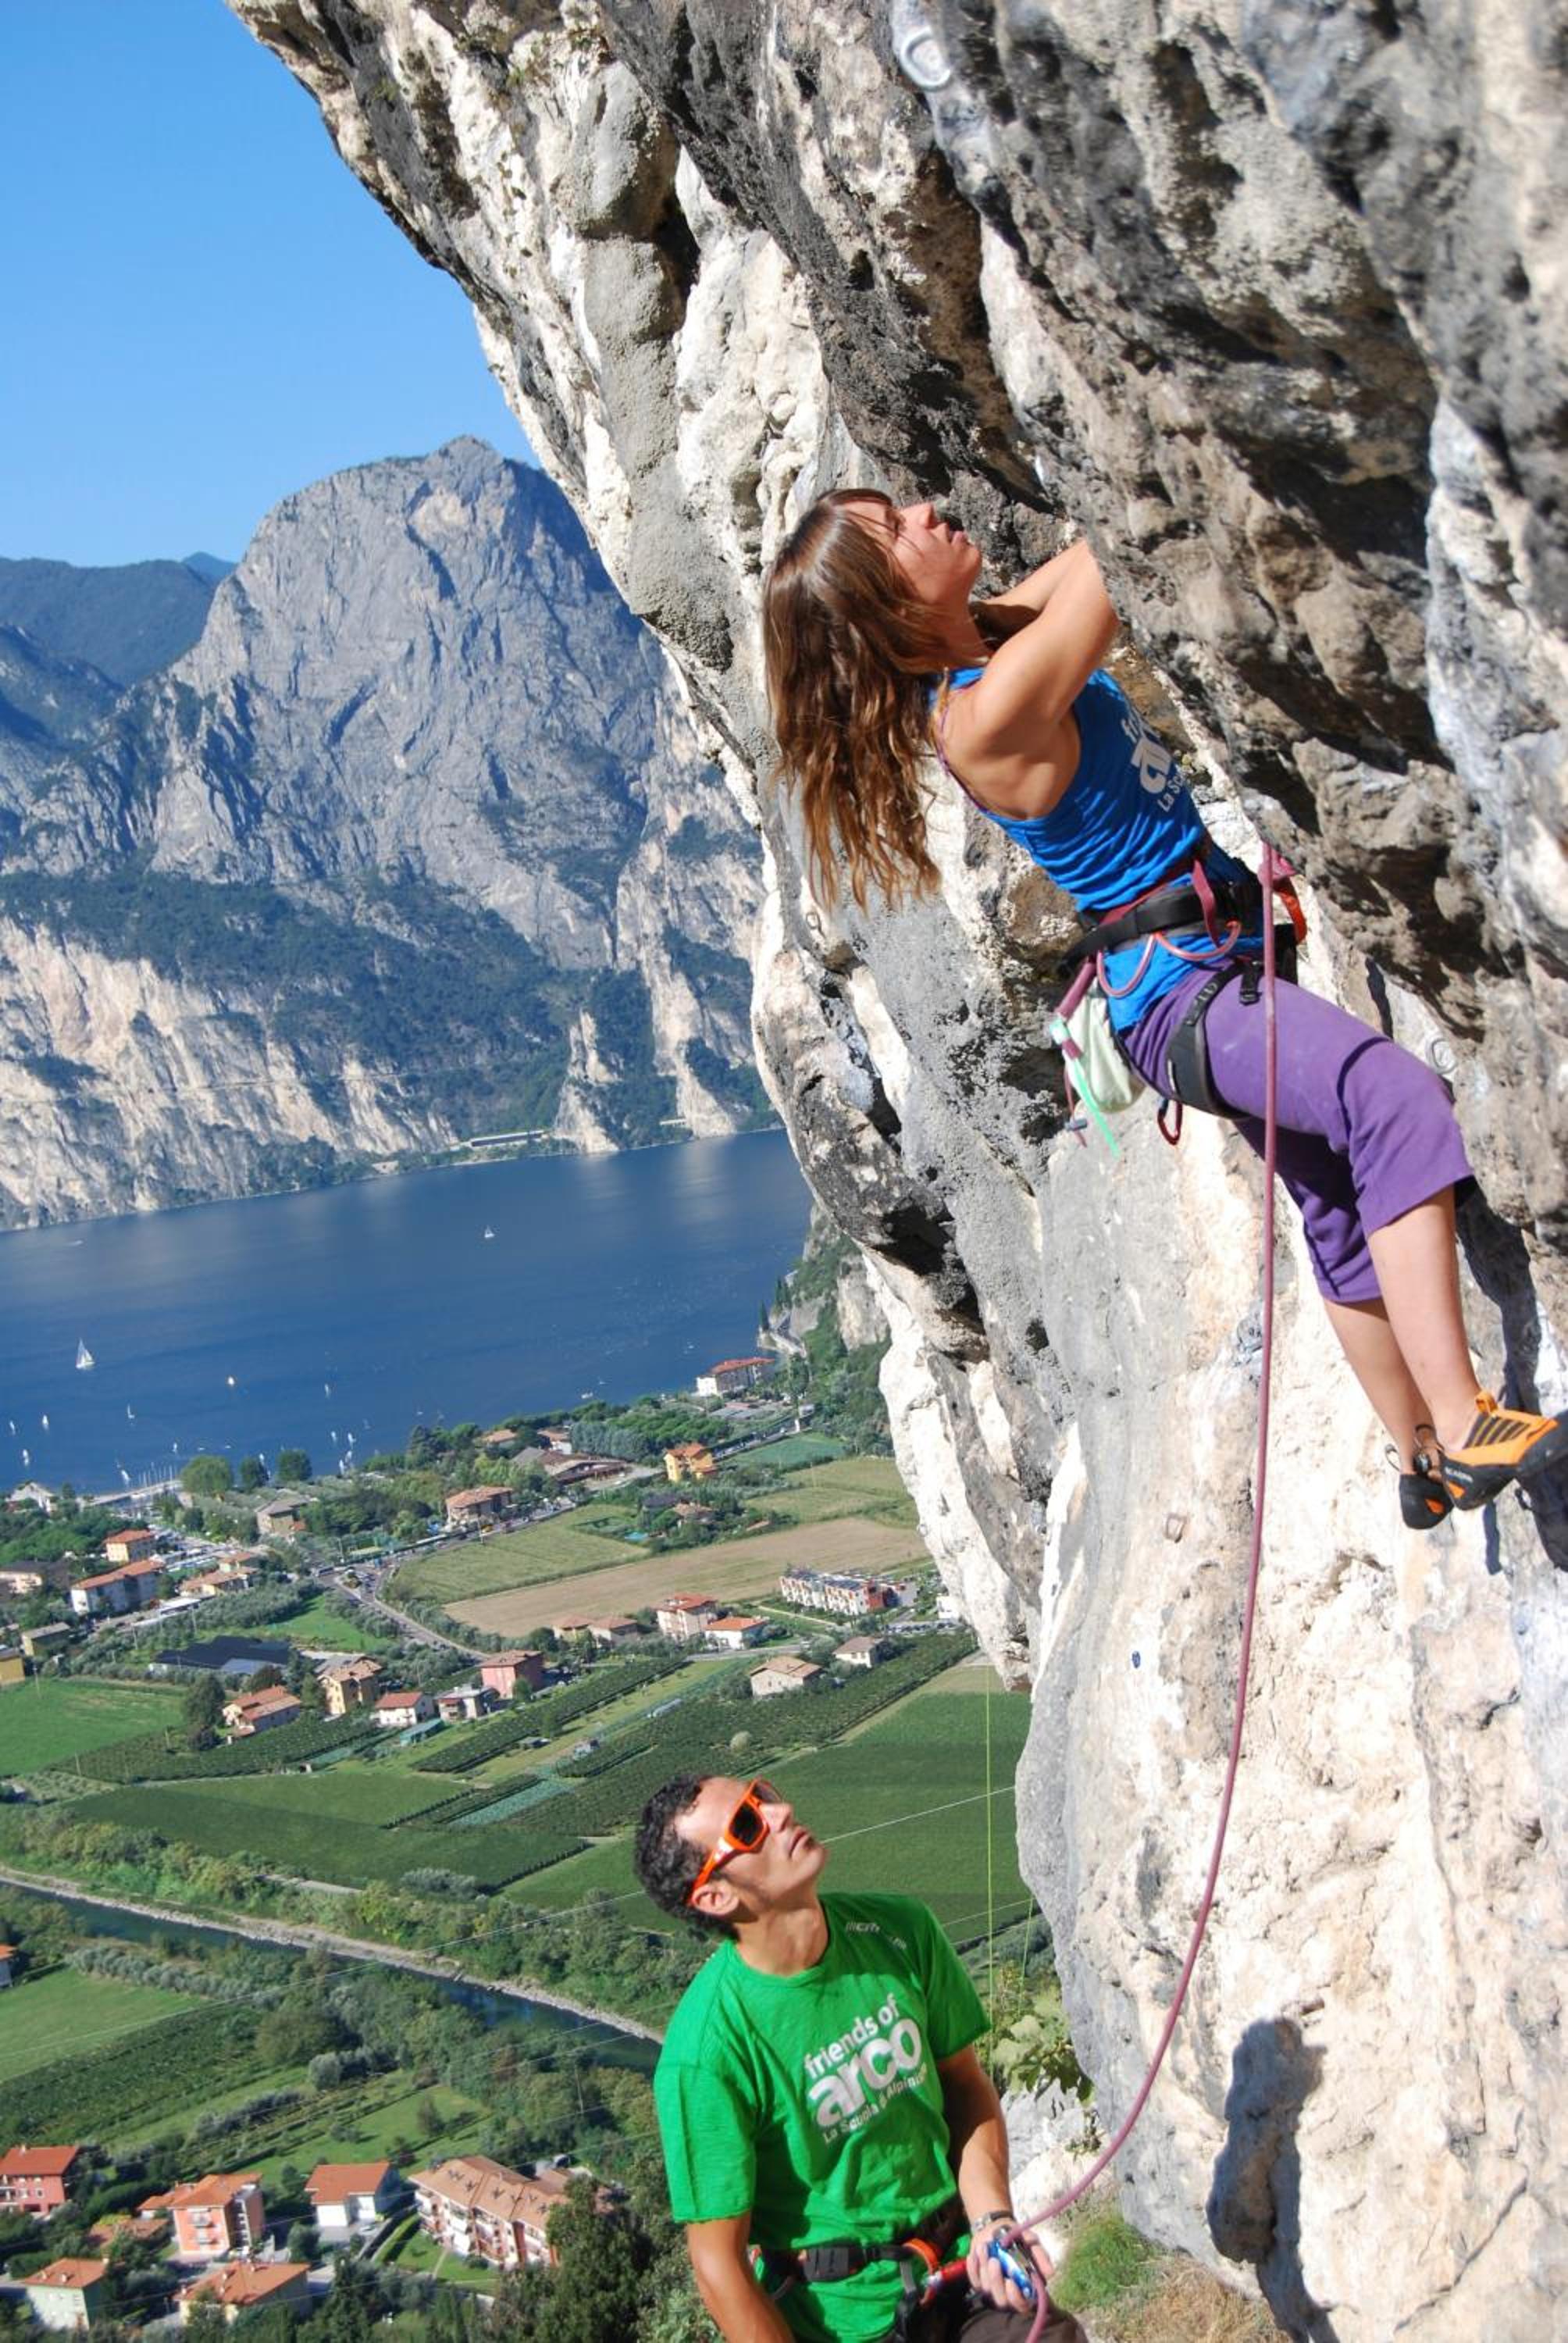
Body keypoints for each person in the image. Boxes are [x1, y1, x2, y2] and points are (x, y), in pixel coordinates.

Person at [761, 490, 1566, 1528]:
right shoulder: (987, 713)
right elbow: (1113, 545)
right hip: (1189, 993)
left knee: (1334, 1199)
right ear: (889, 603)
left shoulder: (991, 646)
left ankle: (1415, 1457)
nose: (927, 507)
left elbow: (1076, 556)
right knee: (1394, 1102)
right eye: (897, 529)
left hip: (1198, 976)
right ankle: (1460, 1424)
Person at [636, 1771, 1085, 2343]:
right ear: (715, 1896)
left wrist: (993, 2221)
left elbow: (964, 2087)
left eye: (763, 1796)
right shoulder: (707, 2053)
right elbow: (717, 2264)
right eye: (748, 1825)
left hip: (960, 2274)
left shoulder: (899, 1931)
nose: (780, 1813)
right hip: (844, 2323)